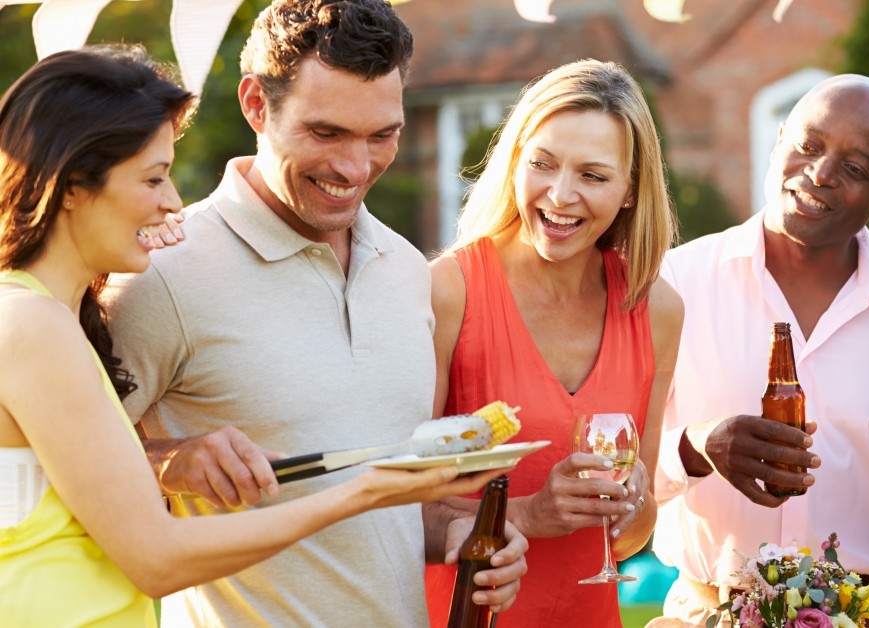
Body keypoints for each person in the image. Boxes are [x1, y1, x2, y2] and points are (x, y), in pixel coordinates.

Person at [0, 45, 505, 627]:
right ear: (71, 185)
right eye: (154, 178)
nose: (171, 202)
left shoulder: (52, 318)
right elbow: (156, 558)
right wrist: (365, 491)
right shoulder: (35, 322)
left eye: (380, 135)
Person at [648, 74, 869, 628]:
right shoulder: (676, 284)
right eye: (808, 146)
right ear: (780, 140)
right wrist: (692, 449)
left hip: (863, 614)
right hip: (706, 611)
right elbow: (620, 467)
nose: (819, 174)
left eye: (855, 168)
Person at [422, 59, 684, 627]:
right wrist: (531, 513)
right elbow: (390, 504)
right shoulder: (447, 291)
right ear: (514, 159)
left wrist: (633, 500)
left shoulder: (657, 308)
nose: (560, 196)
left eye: (593, 175)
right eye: (542, 164)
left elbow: (637, 534)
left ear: (631, 190)